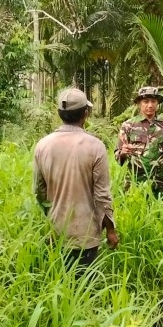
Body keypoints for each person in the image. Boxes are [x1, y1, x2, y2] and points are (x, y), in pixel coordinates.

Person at [33, 88, 119, 276]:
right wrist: (111, 230)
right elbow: (102, 195)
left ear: (59, 114)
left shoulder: (43, 145)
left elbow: (39, 190)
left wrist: (51, 216)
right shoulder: (95, 146)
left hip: (56, 231)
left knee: (61, 283)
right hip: (86, 233)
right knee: (85, 288)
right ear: (85, 114)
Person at [114, 86, 163, 197]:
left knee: (162, 212)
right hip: (135, 182)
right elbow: (118, 155)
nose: (150, 105)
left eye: (153, 101)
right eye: (146, 101)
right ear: (139, 103)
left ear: (157, 103)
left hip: (160, 182)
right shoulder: (128, 126)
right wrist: (123, 152)